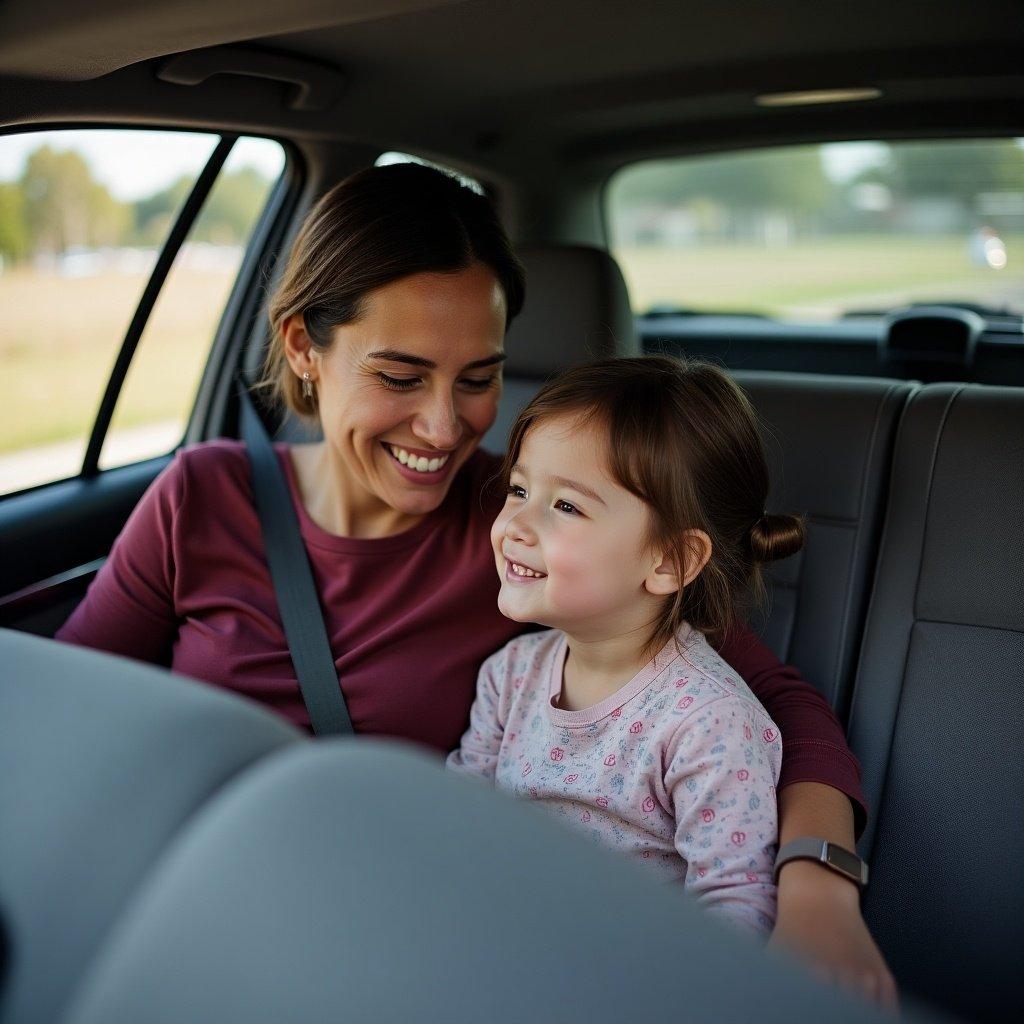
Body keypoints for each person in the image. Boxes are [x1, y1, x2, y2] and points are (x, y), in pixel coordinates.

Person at [56, 162, 896, 1007]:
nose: (443, 425)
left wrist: (819, 886)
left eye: (479, 378)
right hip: (195, 911)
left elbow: (772, 702)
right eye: (399, 375)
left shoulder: (539, 535)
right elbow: (71, 709)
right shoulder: (201, 496)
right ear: (304, 347)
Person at [448, 358, 793, 936]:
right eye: (519, 488)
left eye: (566, 506)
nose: (516, 524)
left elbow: (735, 908)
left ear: (670, 561)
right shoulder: (508, 678)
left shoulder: (708, 723)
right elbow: (457, 821)